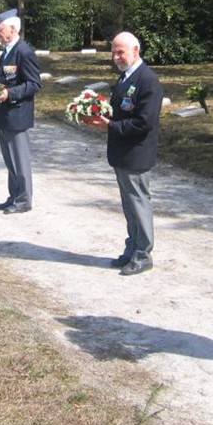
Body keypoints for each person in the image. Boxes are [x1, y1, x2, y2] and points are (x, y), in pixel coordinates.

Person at [84, 32, 163, 276]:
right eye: (114, 52)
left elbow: (144, 122)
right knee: (129, 205)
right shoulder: (126, 76)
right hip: (122, 152)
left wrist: (110, 126)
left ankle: (143, 254)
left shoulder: (147, 80)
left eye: (121, 52)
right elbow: (121, 110)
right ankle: (132, 248)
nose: (116, 57)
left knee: (138, 203)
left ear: (136, 51)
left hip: (136, 153)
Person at [0, 9, 42, 214]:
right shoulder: (7, 51)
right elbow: (5, 78)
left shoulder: (23, 51)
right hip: (5, 114)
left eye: (0, 28)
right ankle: (14, 196)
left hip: (17, 114)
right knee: (10, 160)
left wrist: (9, 94)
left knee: (20, 160)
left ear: (13, 29)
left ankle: (23, 200)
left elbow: (34, 84)